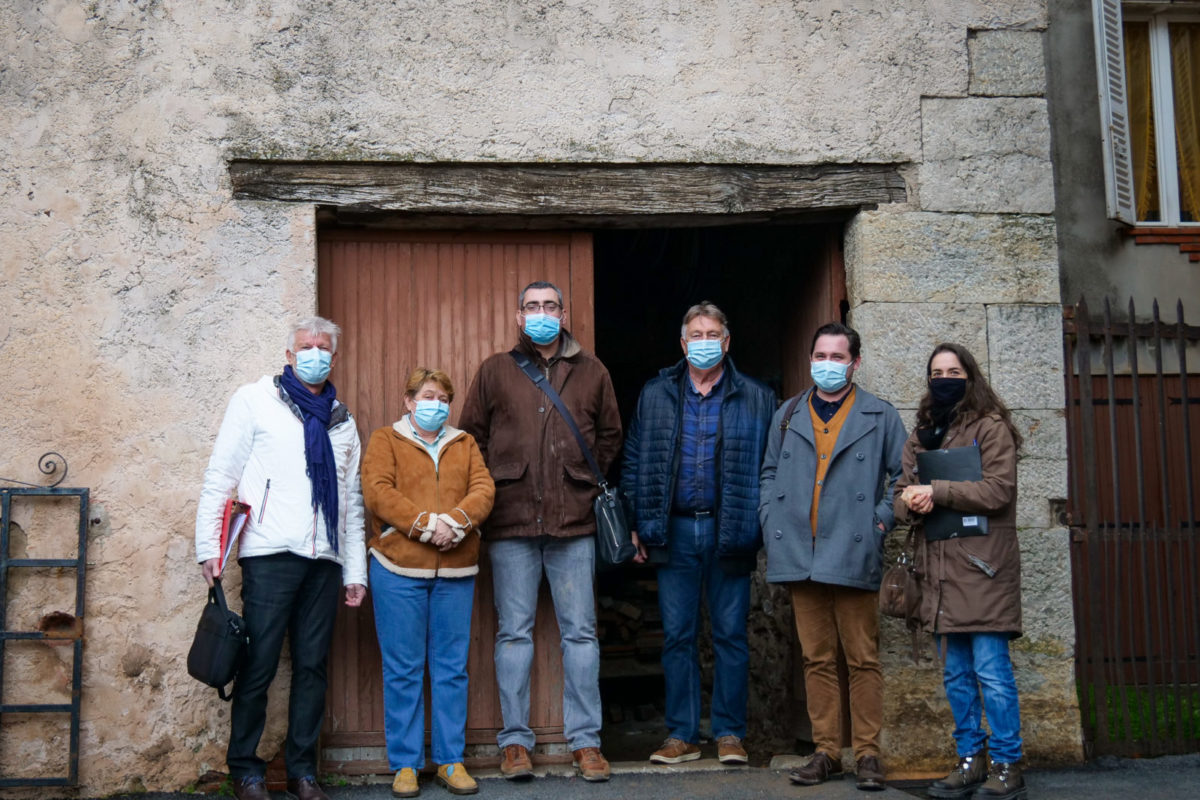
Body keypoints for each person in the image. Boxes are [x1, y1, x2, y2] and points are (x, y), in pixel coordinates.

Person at [194, 317, 367, 800]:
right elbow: (221, 474)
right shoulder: (255, 401)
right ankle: (246, 770)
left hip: (324, 560)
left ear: (334, 356)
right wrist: (209, 546)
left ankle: (301, 771)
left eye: (323, 347)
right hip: (269, 553)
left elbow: (351, 504)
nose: (315, 353)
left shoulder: (342, 419)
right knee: (260, 663)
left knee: (312, 667)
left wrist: (355, 571)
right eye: (305, 346)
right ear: (290, 355)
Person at [458, 280, 622, 782]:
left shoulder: (591, 371)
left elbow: (612, 436)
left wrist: (578, 479)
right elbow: (471, 438)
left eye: (550, 305)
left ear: (563, 312)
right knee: (514, 634)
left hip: (574, 523)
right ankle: (514, 743)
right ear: (518, 315)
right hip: (509, 524)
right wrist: (500, 484)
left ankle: (586, 742)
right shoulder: (495, 370)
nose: (542, 313)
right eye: (533, 306)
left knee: (581, 634)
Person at [620, 302, 775, 765]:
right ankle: (682, 734)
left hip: (732, 529)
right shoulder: (656, 393)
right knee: (677, 637)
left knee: (730, 635)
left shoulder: (756, 395)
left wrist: (763, 525)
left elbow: (772, 465)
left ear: (726, 342)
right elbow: (634, 460)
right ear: (683, 344)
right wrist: (635, 523)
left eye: (713, 334)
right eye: (696, 334)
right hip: (676, 530)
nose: (704, 342)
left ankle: (729, 734)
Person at [759, 321, 906, 792]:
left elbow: (906, 477)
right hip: (800, 551)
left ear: (854, 363)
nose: (827, 365)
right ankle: (826, 752)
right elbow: (767, 472)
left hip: (853, 549)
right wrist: (769, 517)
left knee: (862, 658)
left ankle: (867, 754)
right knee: (816, 659)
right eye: (820, 356)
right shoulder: (787, 414)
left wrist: (881, 519)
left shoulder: (880, 416)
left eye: (837, 358)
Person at [894, 343, 1026, 800]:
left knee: (992, 671)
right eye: (936, 371)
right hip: (939, 573)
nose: (944, 377)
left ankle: (1008, 765)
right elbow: (899, 492)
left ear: (970, 376)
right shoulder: (924, 432)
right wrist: (911, 501)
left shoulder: (991, 428)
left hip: (983, 569)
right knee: (955, 675)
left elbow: (998, 491)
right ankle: (971, 760)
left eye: (953, 370)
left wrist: (938, 490)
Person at [361, 368, 496, 798]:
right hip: (398, 569)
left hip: (455, 571)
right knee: (402, 669)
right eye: (426, 396)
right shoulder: (386, 440)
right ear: (408, 401)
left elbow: (483, 488)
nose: (434, 404)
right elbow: (378, 490)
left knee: (451, 669)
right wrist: (423, 525)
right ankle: (404, 764)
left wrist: (456, 522)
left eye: (442, 397)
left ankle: (450, 760)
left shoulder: (465, 442)